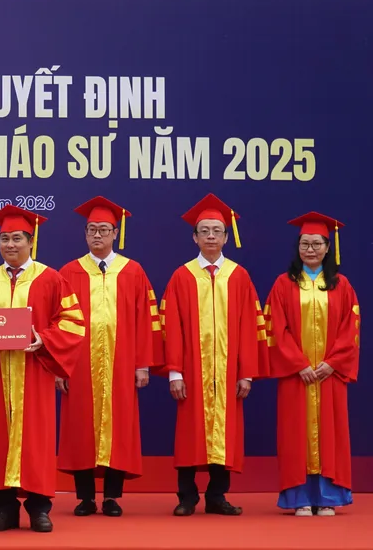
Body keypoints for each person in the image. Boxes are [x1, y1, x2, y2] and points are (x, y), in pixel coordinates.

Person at [0, 204, 85, 533]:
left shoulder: (51, 279)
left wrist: (44, 339)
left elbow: (73, 322)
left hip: (35, 372)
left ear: (31, 241)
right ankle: (4, 509)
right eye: (4, 239)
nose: (10, 244)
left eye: (17, 238)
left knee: (36, 440)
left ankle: (39, 508)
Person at [159, 193, 268, 516]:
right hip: (191, 371)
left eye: (216, 231)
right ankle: (186, 497)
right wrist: (175, 372)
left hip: (229, 371)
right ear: (194, 237)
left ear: (226, 237)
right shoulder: (182, 276)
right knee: (189, 433)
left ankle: (217, 496)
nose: (210, 236)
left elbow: (250, 326)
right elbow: (171, 327)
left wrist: (246, 373)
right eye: (204, 231)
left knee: (226, 431)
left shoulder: (239, 276)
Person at [56, 196, 164, 517]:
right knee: (80, 428)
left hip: (122, 364)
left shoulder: (133, 271)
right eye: (92, 229)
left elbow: (146, 320)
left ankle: (112, 497)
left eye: (104, 229)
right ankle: (85, 498)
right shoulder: (69, 271)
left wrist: (143, 364)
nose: (97, 235)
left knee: (120, 427)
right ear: (85, 234)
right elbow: (59, 322)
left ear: (115, 233)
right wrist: (60, 366)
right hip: (79, 365)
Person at [264, 212, 359, 517]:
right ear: (298, 246)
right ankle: (299, 498)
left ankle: (328, 497)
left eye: (317, 244)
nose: (311, 249)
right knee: (295, 435)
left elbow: (351, 328)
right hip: (297, 376)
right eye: (305, 244)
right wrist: (298, 364)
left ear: (328, 247)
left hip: (330, 375)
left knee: (331, 434)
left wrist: (332, 363)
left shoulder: (341, 285)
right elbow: (276, 328)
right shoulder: (284, 284)